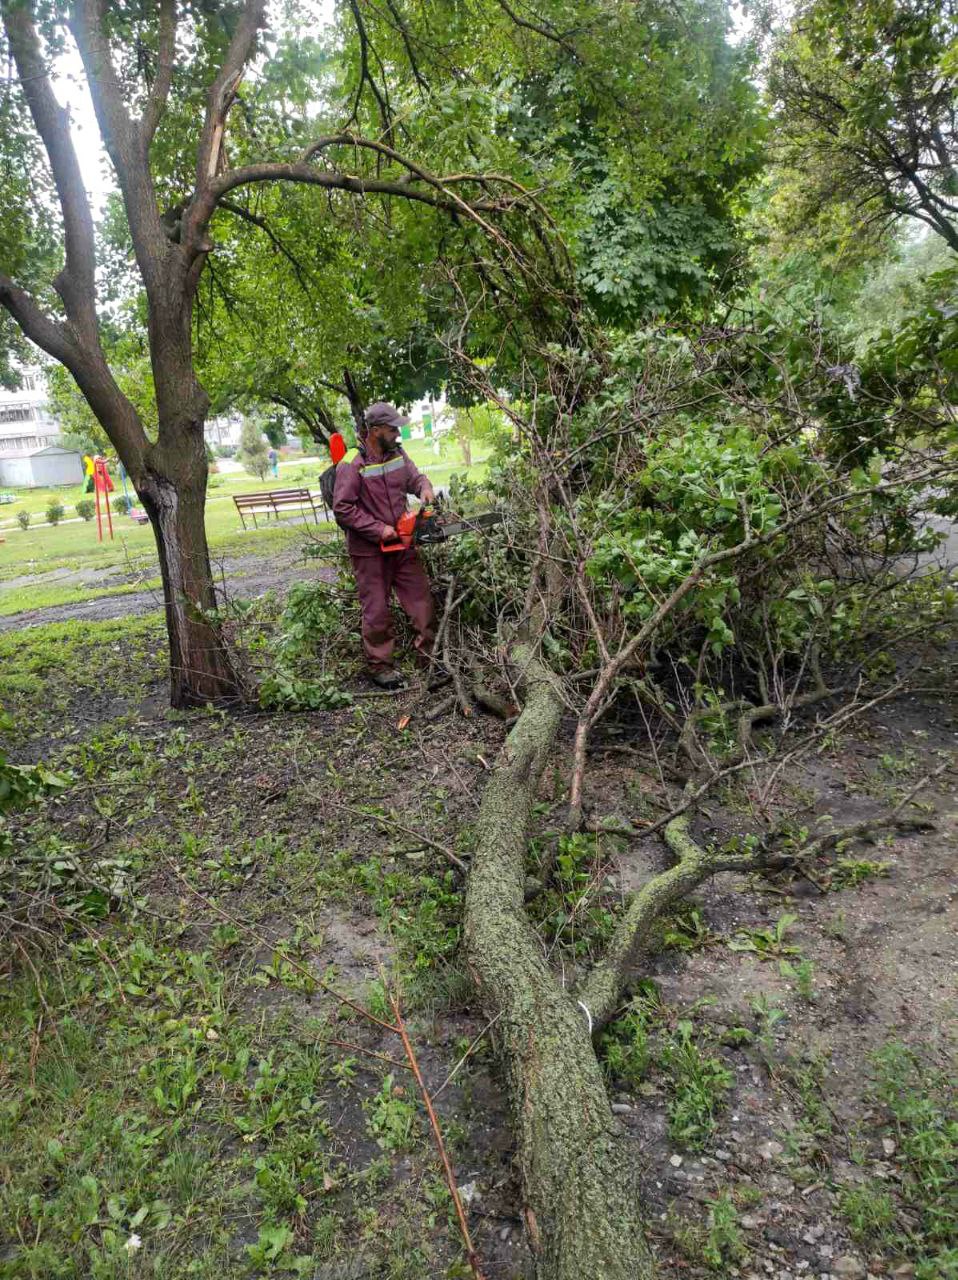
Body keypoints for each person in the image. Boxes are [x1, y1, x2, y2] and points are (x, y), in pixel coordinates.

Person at [333, 402, 438, 689]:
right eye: (392, 428)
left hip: (402, 545)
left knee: (421, 602)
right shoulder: (352, 462)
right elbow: (342, 508)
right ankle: (381, 667)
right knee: (377, 609)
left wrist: (425, 488)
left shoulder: (397, 453)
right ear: (375, 430)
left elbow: (414, 478)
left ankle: (430, 661)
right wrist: (379, 529)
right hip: (369, 550)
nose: (396, 432)